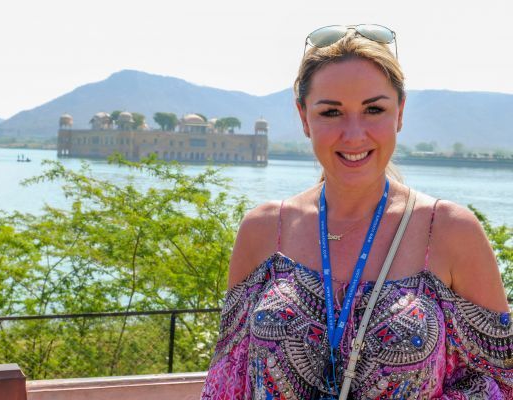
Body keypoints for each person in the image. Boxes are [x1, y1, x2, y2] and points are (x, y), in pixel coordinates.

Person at [201, 25, 512, 399]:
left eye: (373, 109)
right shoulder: (265, 230)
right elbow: (226, 382)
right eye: (331, 112)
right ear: (304, 117)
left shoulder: (447, 231)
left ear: (399, 113)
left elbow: (502, 380)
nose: (353, 134)